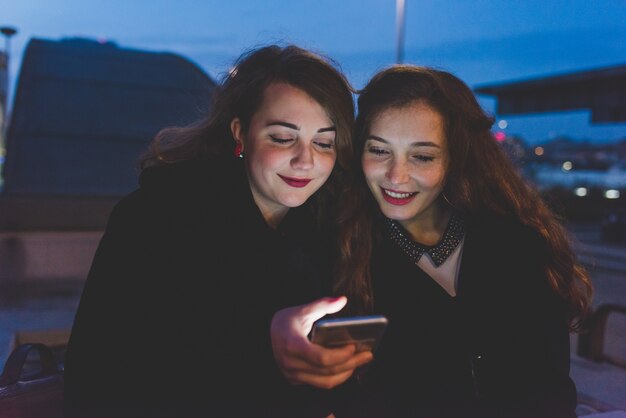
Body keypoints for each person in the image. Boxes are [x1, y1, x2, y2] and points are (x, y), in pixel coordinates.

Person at [63, 44, 372, 418]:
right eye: (281, 137)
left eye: (323, 142)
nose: (305, 160)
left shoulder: (329, 228)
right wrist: (261, 346)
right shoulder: (156, 218)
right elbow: (100, 379)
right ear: (240, 132)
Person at [273, 66, 593, 417]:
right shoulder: (335, 249)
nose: (396, 176)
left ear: (456, 159)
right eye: (379, 151)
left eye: (422, 156)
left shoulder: (518, 243)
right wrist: (277, 337)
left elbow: (552, 388)